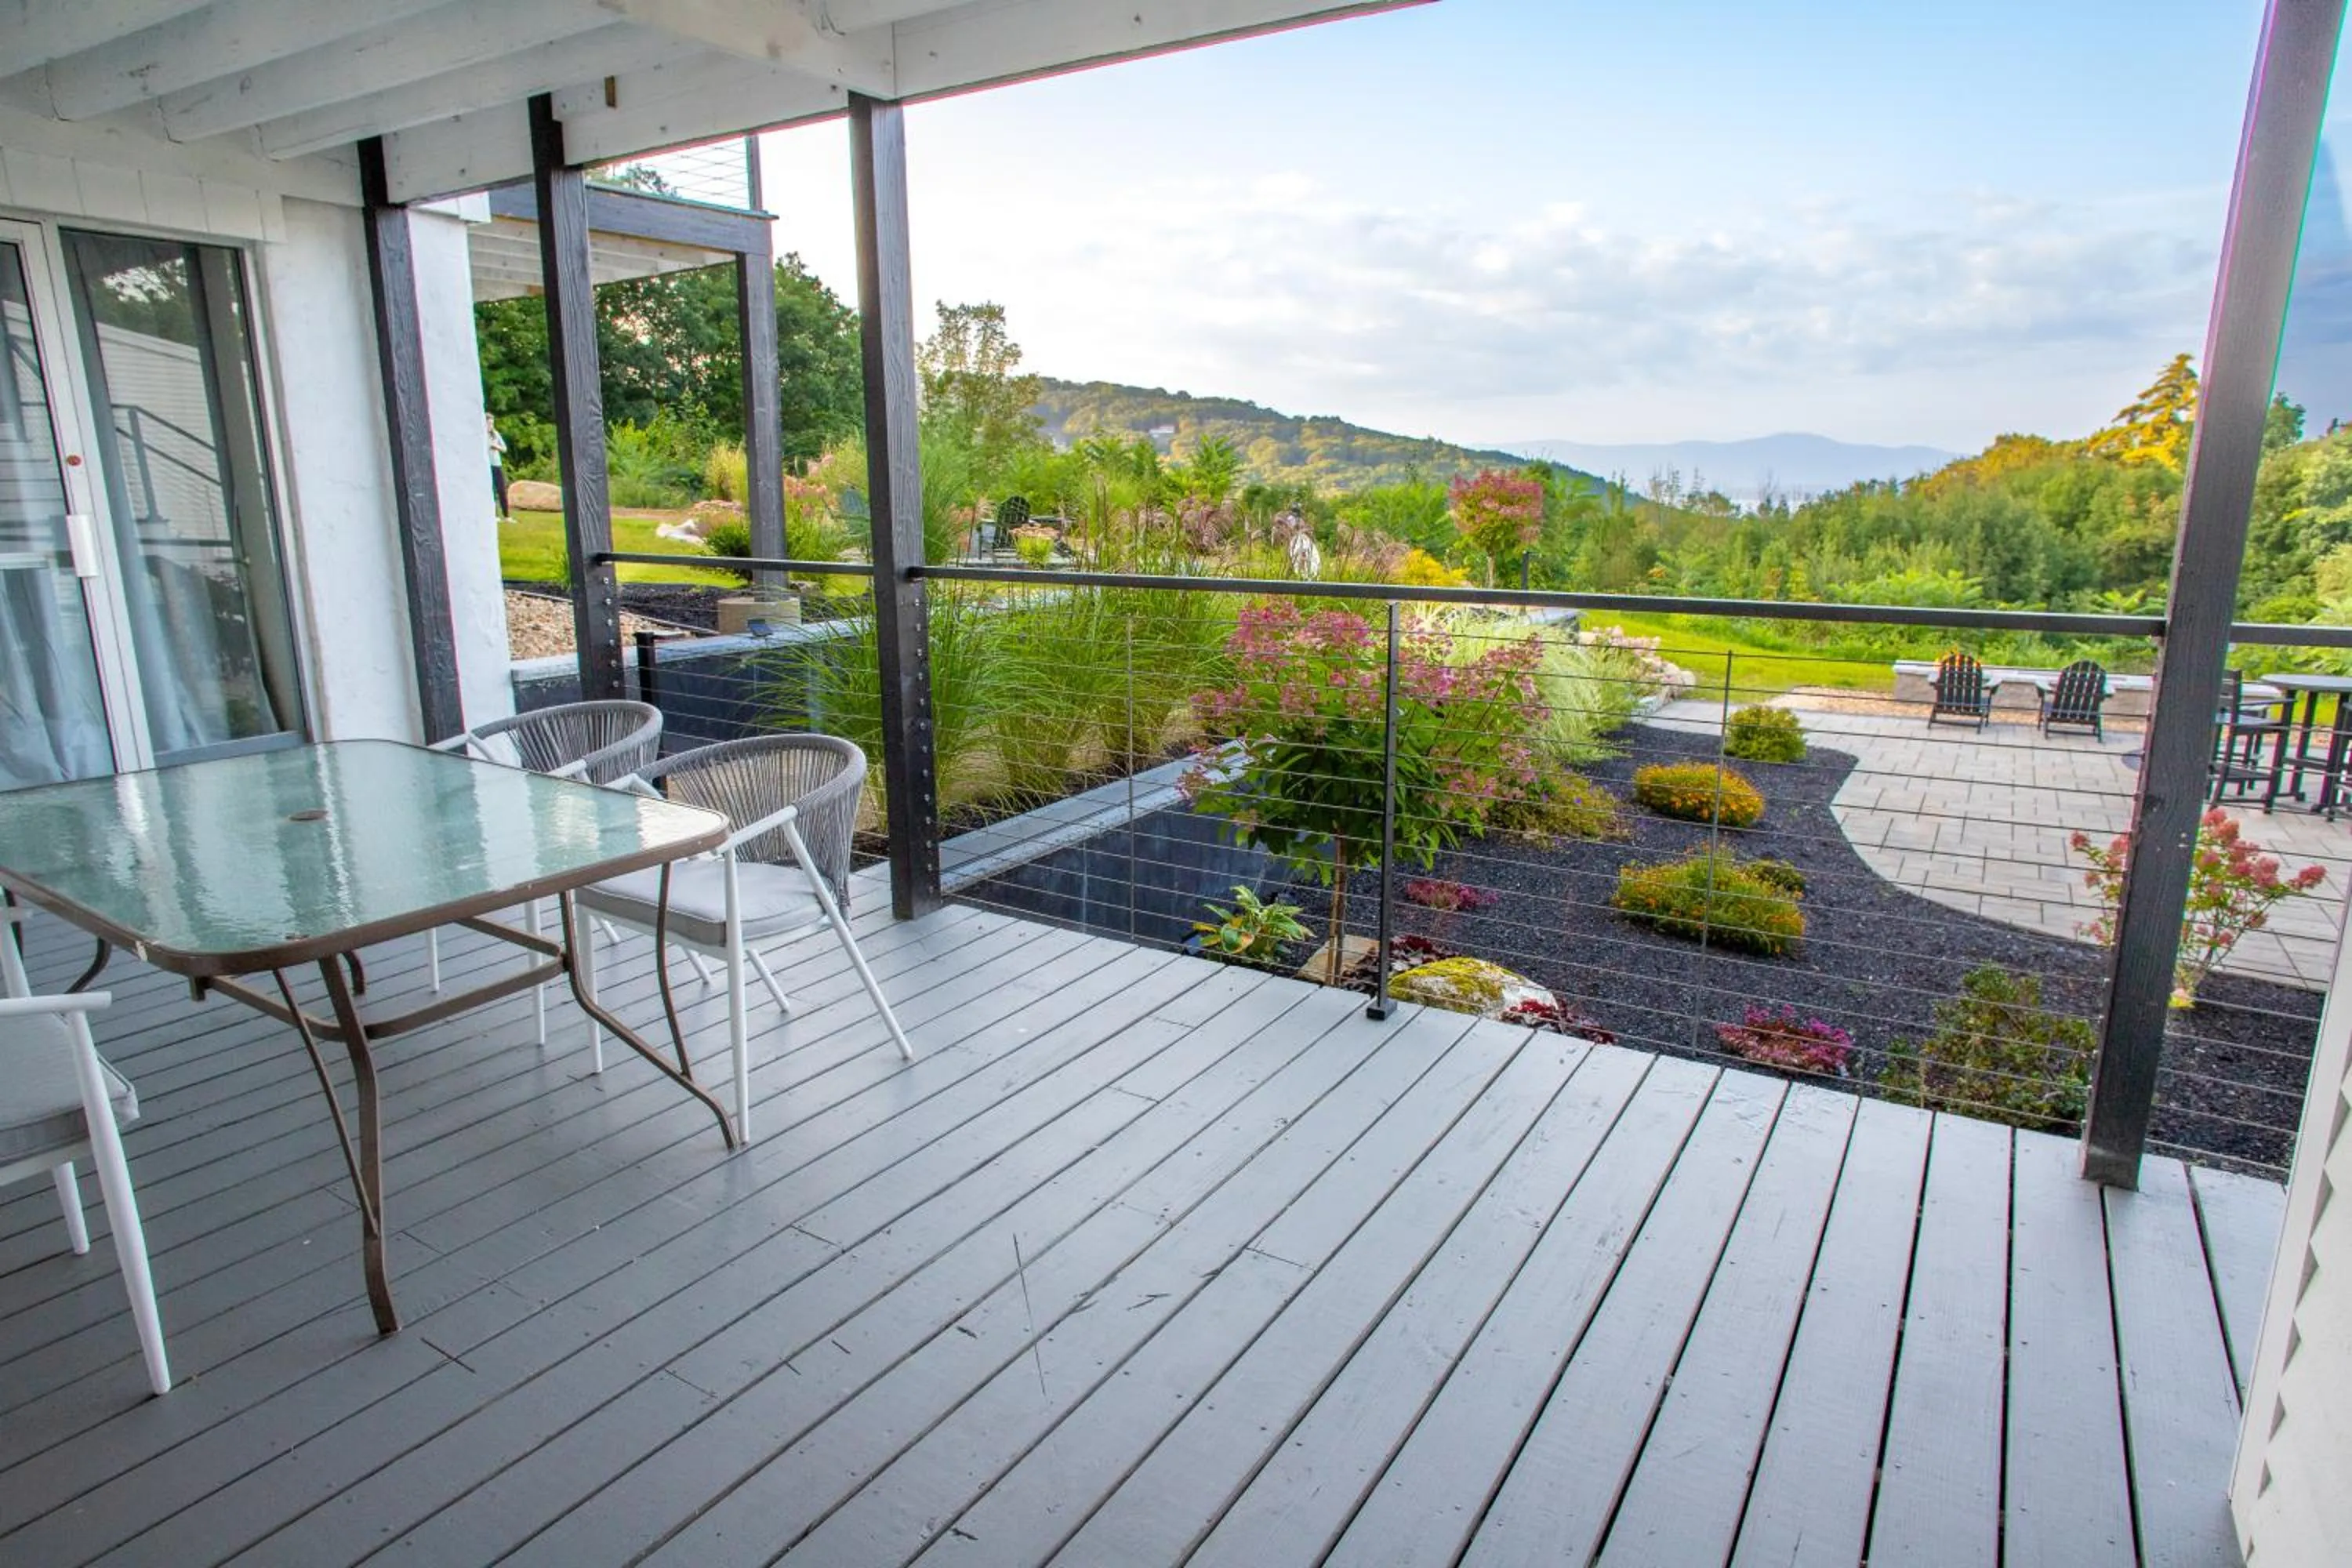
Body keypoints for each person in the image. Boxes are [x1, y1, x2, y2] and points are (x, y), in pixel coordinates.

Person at [486, 412, 510, 521]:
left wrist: (496, 447)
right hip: (488, 464)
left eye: (492, 423)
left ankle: (507, 515)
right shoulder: (482, 435)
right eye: (489, 423)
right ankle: (494, 515)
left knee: (501, 489)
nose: (491, 426)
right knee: (491, 490)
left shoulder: (495, 434)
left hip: (496, 464)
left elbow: (504, 448)